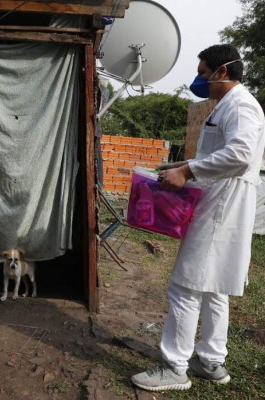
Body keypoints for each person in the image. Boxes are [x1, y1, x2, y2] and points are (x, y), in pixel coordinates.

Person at [132, 44, 265, 391]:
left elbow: (240, 153)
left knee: (186, 285)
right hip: (225, 198)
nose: (200, 80)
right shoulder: (229, 106)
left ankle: (174, 368)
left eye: (204, 73)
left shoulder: (241, 106)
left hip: (223, 202)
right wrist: (180, 166)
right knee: (214, 287)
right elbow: (222, 153)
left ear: (222, 72)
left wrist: (189, 170)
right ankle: (210, 361)